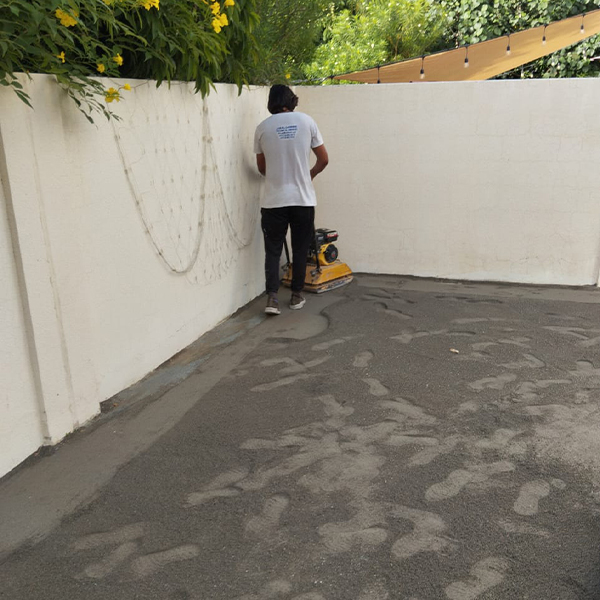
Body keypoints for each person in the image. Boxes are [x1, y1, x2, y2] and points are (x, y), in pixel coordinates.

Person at [254, 84, 329, 315]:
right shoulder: (307, 121)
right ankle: (296, 295)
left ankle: (272, 298)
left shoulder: (262, 128)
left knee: (273, 250)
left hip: (273, 200)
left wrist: (278, 175)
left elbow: (261, 168)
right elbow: (324, 159)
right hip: (302, 199)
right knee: (300, 248)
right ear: (291, 100)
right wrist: (308, 175)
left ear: (271, 102)